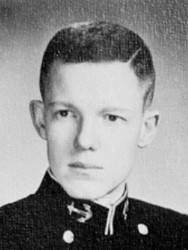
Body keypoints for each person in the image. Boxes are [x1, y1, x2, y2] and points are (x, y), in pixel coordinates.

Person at [0, 21, 187, 249]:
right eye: (65, 113)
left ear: (146, 129)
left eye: (111, 118)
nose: (85, 140)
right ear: (41, 120)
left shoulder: (177, 235)